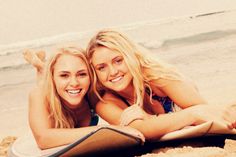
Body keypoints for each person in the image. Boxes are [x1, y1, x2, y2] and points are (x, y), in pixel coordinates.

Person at [86, 29, 236, 140]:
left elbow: (205, 111)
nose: (112, 72)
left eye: (118, 61)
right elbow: (140, 130)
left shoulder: (156, 76)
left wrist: (151, 120)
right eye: (101, 68)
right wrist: (192, 114)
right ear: (95, 73)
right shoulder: (105, 103)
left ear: (130, 57)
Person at [23, 46, 144, 149]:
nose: (74, 82)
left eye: (82, 74)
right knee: (42, 82)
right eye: (64, 75)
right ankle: (39, 65)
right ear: (53, 78)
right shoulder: (39, 95)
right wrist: (103, 130)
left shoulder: (93, 93)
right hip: (49, 91)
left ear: (90, 76)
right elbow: (43, 139)